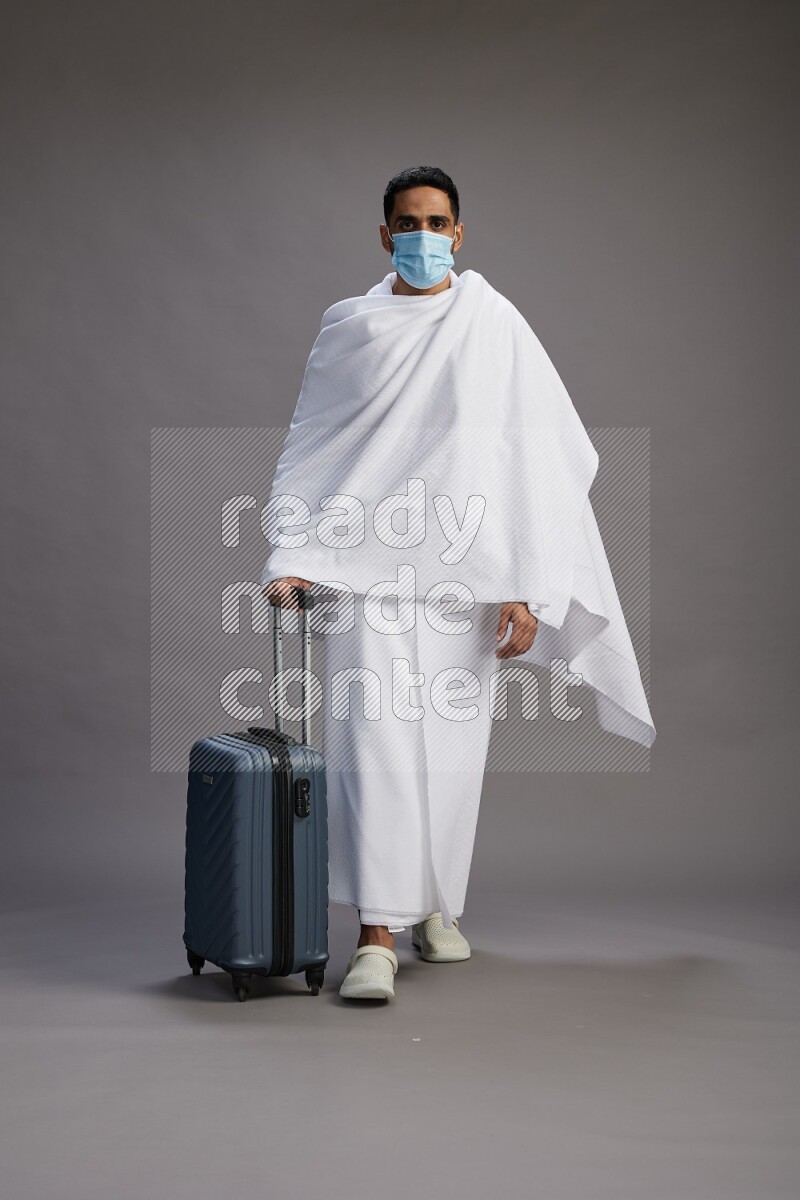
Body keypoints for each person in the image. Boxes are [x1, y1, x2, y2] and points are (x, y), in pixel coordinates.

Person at [260, 165, 655, 1002]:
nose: (424, 237)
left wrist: (525, 585)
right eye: (409, 222)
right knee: (373, 749)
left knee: (450, 752)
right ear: (383, 234)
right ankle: (374, 933)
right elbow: (312, 444)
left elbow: (536, 457)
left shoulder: (493, 323)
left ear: (460, 234)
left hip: (468, 576)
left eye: (439, 223)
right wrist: (287, 552)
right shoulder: (350, 328)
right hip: (370, 570)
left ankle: (435, 908)